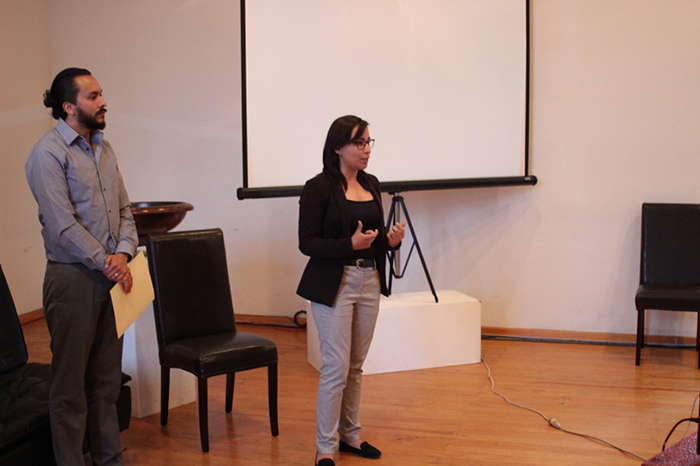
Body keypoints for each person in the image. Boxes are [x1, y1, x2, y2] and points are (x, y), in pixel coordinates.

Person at [25, 67, 138, 466]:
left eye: (100, 93)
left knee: (106, 381)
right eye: (93, 96)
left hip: (112, 276)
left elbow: (125, 211)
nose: (103, 102)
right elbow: (62, 225)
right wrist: (108, 261)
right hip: (72, 279)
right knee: (70, 388)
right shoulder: (47, 154)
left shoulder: (105, 149)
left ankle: (108, 458)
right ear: (68, 107)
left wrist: (123, 254)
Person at [297, 115, 406, 466]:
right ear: (337, 147)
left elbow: (372, 239)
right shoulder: (317, 188)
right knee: (336, 367)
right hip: (336, 283)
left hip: (369, 280)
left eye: (368, 142)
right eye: (359, 143)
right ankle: (325, 447)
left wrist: (389, 241)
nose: (366, 149)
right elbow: (307, 242)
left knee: (355, 366)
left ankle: (350, 435)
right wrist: (349, 244)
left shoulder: (371, 183)